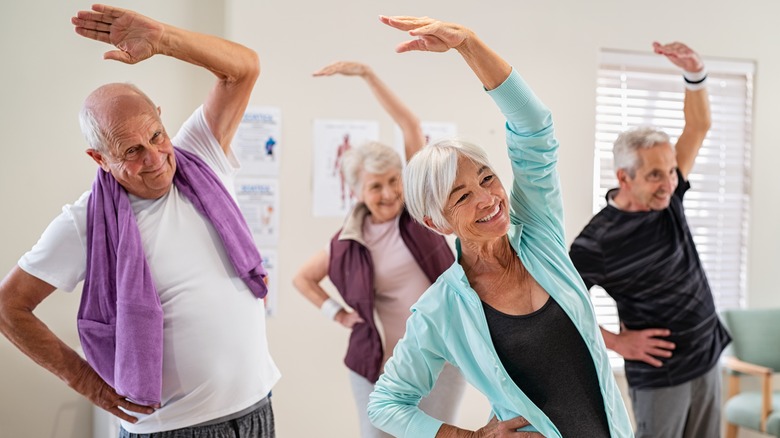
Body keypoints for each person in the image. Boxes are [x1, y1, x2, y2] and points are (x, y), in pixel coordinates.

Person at [0, 4, 280, 437]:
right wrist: (84, 381)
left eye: (156, 136)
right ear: (100, 158)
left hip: (256, 410)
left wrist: (164, 40)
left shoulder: (199, 156)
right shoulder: (85, 222)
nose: (156, 160)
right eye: (131, 151)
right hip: (174, 429)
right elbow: (9, 306)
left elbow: (244, 69)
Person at [368, 16, 634, 438]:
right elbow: (386, 403)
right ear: (436, 222)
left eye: (486, 178)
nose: (488, 198)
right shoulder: (442, 308)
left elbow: (534, 128)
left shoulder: (539, 235)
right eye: (461, 196)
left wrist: (467, 44)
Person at [293, 61, 466, 437]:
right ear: (356, 191)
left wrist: (368, 76)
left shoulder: (419, 213)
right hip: (377, 367)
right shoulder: (347, 241)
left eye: (393, 181)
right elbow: (303, 279)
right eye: (375, 186)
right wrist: (336, 314)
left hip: (441, 359)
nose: (388, 193)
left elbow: (410, 126)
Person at [569, 42, 731, 438]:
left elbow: (698, 127)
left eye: (672, 172)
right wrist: (617, 342)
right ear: (624, 177)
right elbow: (559, 306)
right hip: (662, 377)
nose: (670, 184)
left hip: (707, 357)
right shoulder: (597, 241)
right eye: (656, 175)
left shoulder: (668, 196)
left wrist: (695, 72)